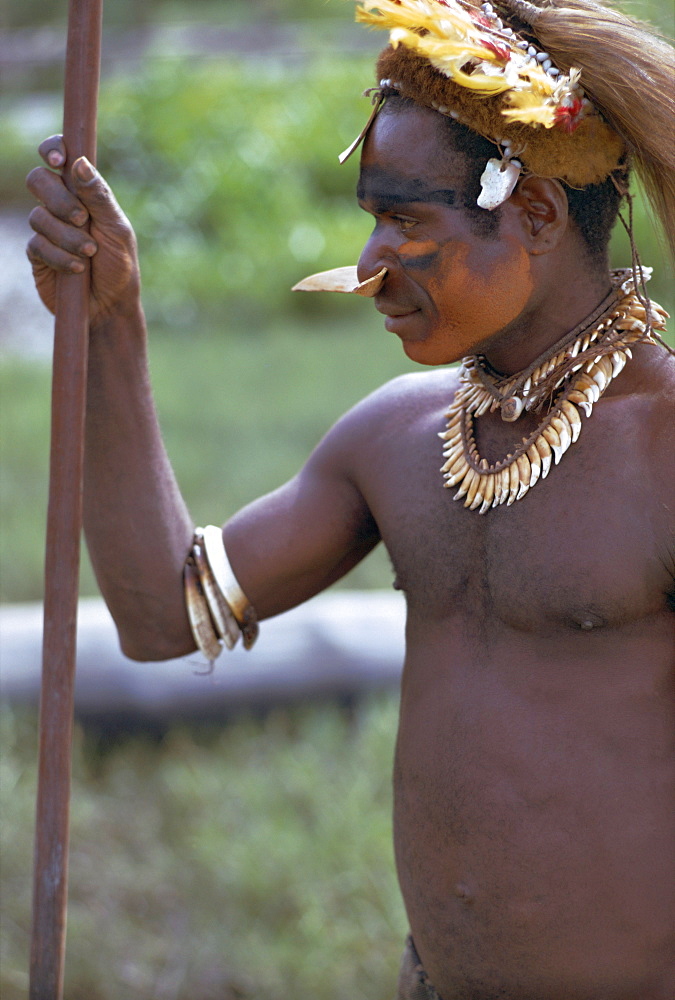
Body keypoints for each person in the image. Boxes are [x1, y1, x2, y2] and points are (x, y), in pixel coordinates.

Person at [25, 0, 675, 997]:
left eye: (405, 218)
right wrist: (114, 320)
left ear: (536, 214)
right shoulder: (398, 439)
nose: (369, 264)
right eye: (370, 216)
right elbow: (164, 612)